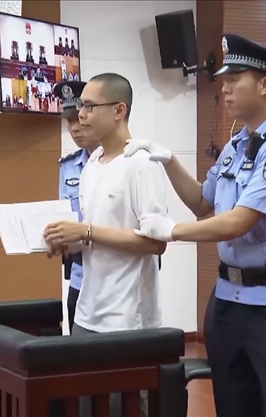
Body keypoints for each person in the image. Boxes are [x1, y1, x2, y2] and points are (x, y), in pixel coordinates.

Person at [125, 34, 266, 417]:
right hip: (228, 300)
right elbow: (203, 202)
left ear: (265, 84)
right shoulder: (235, 145)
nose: (224, 88)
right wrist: (169, 162)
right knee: (232, 405)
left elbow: (239, 221)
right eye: (224, 80)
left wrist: (172, 231)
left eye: (234, 79)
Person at [43, 73, 168, 417]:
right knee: (84, 406)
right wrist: (67, 242)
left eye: (89, 106)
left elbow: (156, 242)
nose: (81, 115)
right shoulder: (91, 166)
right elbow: (93, 236)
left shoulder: (142, 164)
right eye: (80, 107)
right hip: (88, 311)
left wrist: (85, 231)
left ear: (119, 110)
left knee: (124, 407)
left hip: (127, 318)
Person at [53, 80, 100, 334]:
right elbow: (64, 216)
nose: (74, 128)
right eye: (69, 121)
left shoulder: (127, 161)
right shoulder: (68, 166)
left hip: (114, 278)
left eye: (78, 118)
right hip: (80, 276)